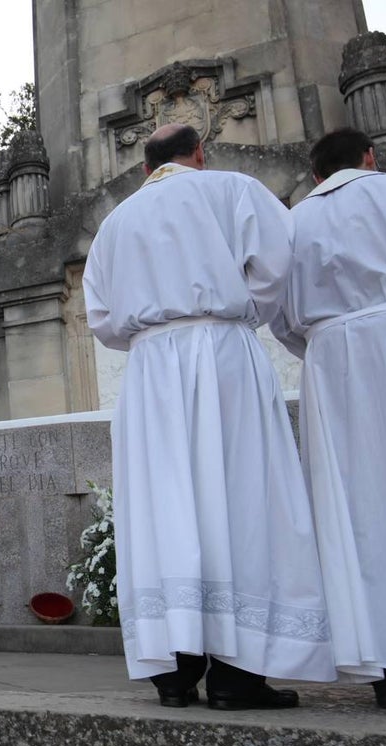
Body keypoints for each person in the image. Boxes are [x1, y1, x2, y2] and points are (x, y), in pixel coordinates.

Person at [82, 123, 335, 710]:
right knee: (241, 498)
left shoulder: (116, 224)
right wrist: (240, 311)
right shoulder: (233, 190)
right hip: (222, 355)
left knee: (164, 506)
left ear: (146, 169)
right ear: (200, 153)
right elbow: (275, 267)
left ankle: (173, 669)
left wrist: (150, 334)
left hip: (149, 371)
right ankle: (236, 674)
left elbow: (103, 316)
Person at [271, 127, 386, 710]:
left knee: (357, 510)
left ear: (317, 175)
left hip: (331, 361)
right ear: (368, 158)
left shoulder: (293, 224)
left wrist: (325, 345)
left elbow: (278, 316)